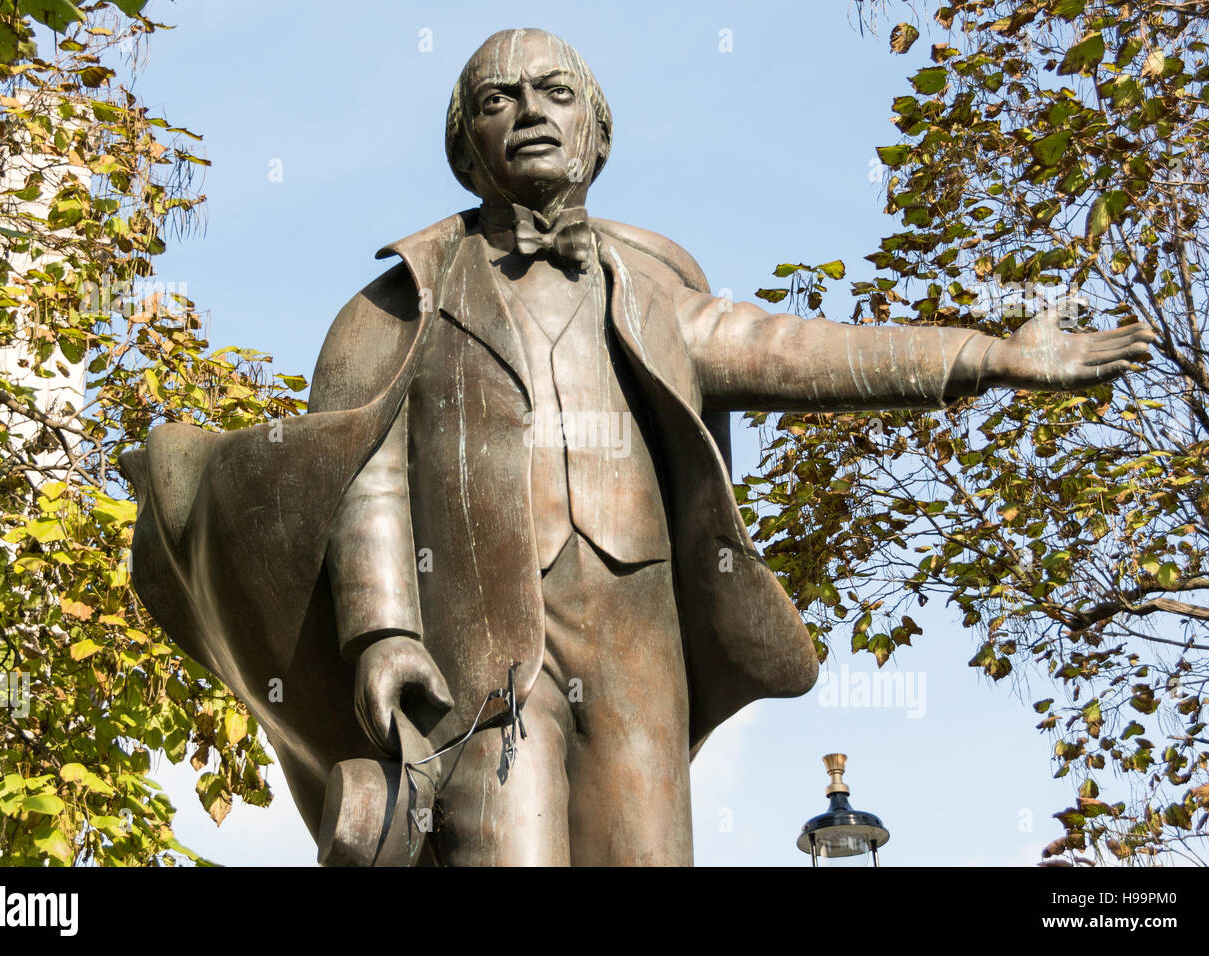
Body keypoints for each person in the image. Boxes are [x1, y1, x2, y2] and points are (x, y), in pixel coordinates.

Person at [126, 28, 1155, 866]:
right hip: (484, 637)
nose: (529, 110)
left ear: (596, 128)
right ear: (465, 141)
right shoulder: (404, 299)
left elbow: (794, 347)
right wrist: (382, 634)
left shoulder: (652, 283)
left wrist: (991, 354)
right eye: (498, 98)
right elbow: (365, 478)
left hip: (635, 629)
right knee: (505, 852)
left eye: (554, 91)